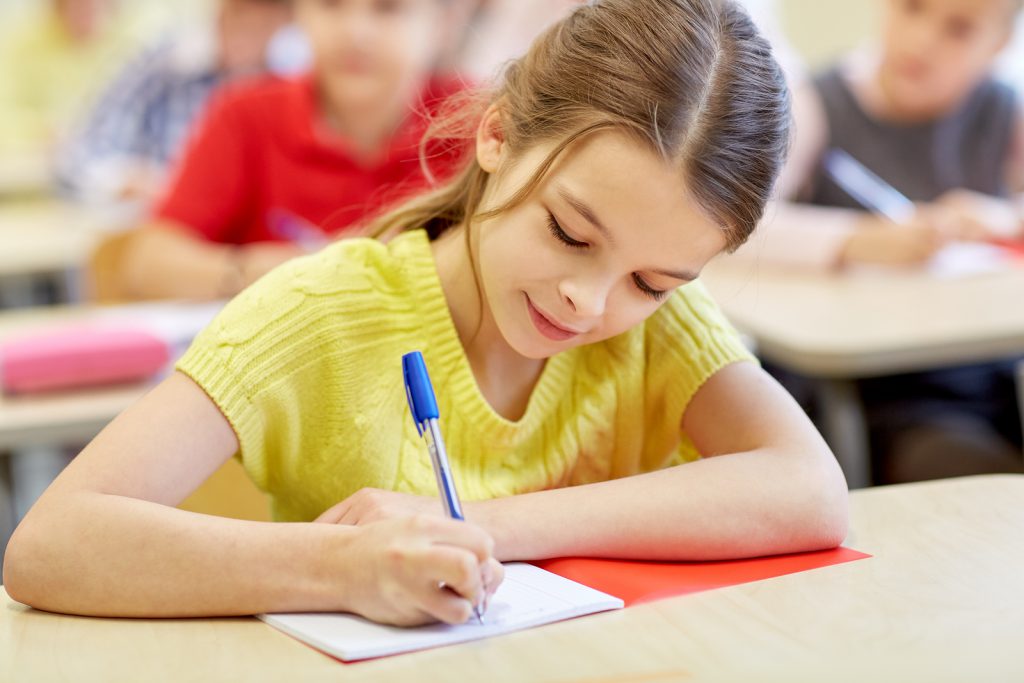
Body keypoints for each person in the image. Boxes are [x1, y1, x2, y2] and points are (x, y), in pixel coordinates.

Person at [4, 0, 848, 627]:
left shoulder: (660, 323)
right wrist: (339, 567)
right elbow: (51, 543)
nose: (588, 302)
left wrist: (475, 525)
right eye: (568, 231)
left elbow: (809, 488)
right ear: (496, 136)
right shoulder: (324, 310)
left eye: (654, 280)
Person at [740, 0, 1024, 483]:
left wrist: (1006, 217)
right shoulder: (815, 104)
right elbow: (741, 224)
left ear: (997, 46)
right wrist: (855, 241)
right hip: (871, 399)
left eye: (959, 30)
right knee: (958, 468)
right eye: (912, 8)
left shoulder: (1003, 111)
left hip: (982, 385)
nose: (923, 41)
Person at [108, 0, 471, 302]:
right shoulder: (245, 115)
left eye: (388, 8)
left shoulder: (475, 124)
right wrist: (281, 269)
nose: (354, 33)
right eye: (331, 4)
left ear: (444, 22)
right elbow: (148, 264)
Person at [54, 0, 295, 205]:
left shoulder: (293, 80)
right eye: (240, 17)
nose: (247, 36)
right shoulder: (163, 64)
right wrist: (120, 179)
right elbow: (81, 152)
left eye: (262, 26)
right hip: (160, 227)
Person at [0, 0, 138, 155]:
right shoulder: (21, 45)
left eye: (95, 7)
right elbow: (4, 114)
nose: (87, 14)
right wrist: (41, 131)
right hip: (33, 163)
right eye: (78, 7)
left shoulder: (132, 46)